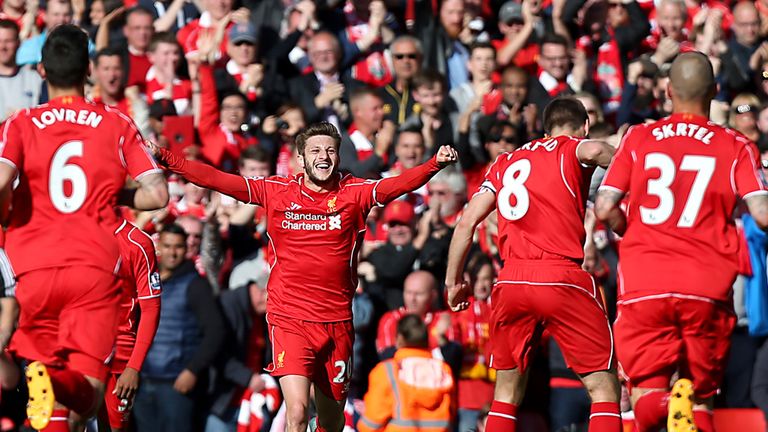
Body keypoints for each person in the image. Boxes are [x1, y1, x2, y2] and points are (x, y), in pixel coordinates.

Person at [149, 121, 458, 432]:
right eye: (315, 151)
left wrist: (434, 164)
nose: (323, 157)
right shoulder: (277, 191)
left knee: (331, 421)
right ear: (300, 158)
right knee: (296, 413)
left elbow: (398, 185)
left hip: (336, 322)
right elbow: (218, 179)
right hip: (290, 318)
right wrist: (167, 158)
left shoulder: (354, 193)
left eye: (330, 150)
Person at [0, 24, 168, 430]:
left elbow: (2, 180)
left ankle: (48, 377)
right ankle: (56, 380)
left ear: (41, 71)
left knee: (55, 405)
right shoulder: (115, 122)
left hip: (33, 269)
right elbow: (158, 194)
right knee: (90, 398)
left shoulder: (18, 123)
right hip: (92, 270)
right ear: (89, 68)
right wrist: (110, 194)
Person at [595, 52, 768, 432]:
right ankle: (683, 399)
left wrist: (632, 230)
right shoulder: (736, 144)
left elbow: (605, 207)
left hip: (645, 280)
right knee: (700, 393)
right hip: (706, 284)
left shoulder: (638, 138)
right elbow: (762, 214)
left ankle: (662, 400)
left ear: (668, 91)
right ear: (715, 91)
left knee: (645, 389)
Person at [445, 97, 620, 432]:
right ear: (583, 126)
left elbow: (466, 223)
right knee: (604, 388)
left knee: (506, 393)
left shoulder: (504, 162)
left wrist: (453, 283)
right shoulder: (571, 148)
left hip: (511, 280)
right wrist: (632, 164)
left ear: (544, 127)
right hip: (561, 276)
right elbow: (596, 152)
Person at [133, 224, 226, 432]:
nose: (172, 253)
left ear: (186, 249)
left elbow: (216, 331)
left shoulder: (196, 285)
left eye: (178, 247)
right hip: (143, 380)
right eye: (167, 246)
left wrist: (192, 370)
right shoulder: (146, 279)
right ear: (158, 247)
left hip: (175, 384)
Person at [101, 220, 163, 432]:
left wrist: (133, 367)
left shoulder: (137, 242)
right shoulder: (72, 231)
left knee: (115, 427)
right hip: (79, 350)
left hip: (119, 360)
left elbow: (151, 308)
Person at [357, 314, 455, 432]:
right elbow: (452, 411)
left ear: (399, 339)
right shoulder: (443, 370)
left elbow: (371, 424)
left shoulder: (388, 371)